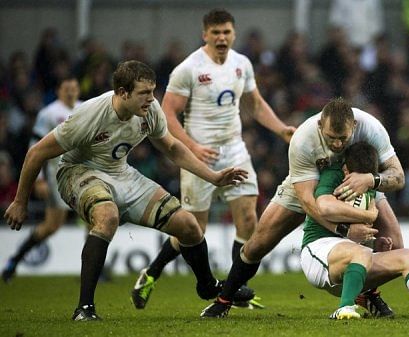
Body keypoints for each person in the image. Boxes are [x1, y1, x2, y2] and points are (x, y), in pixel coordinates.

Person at [3, 60, 249, 321]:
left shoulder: (150, 110)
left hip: (120, 172)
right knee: (107, 217)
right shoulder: (91, 115)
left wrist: (213, 177)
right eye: (144, 93)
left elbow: (173, 148)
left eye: (152, 91)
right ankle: (84, 309)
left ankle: (208, 286)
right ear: (122, 92)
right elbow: (36, 152)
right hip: (77, 171)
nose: (151, 99)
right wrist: (20, 202)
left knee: (188, 225)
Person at [130, 8, 295, 310]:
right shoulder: (188, 69)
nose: (221, 38)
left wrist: (281, 128)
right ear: (205, 34)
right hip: (199, 155)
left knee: (248, 219)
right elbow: (167, 113)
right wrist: (192, 146)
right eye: (215, 32)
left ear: (234, 33)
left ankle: (232, 290)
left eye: (226, 32)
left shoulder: (241, 64)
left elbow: (255, 104)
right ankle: (151, 273)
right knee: (194, 230)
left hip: (234, 149)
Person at [201, 97, 405, 318]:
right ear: (320, 125)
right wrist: (345, 230)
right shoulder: (303, 139)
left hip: (359, 184)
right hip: (310, 185)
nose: (337, 144)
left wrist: (371, 180)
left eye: (343, 138)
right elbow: (308, 201)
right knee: (258, 244)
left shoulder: (371, 128)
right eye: (331, 138)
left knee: (396, 247)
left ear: (354, 126)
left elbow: (399, 176)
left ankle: (367, 293)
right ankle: (224, 300)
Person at [301, 141, 409, 319]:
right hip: (318, 251)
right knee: (360, 253)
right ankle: (345, 308)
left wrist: (375, 244)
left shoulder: (369, 186)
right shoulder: (333, 174)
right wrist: (368, 216)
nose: (360, 184)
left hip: (349, 264)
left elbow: (359, 235)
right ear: (345, 169)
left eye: (366, 179)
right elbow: (325, 206)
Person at [2, 76, 80, 283]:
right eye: (67, 88)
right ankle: (15, 260)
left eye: (74, 88)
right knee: (53, 225)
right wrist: (38, 180)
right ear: (58, 91)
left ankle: (96, 270)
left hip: (82, 173)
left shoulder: (84, 108)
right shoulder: (49, 114)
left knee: (95, 217)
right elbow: (35, 148)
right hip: (57, 175)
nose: (71, 92)